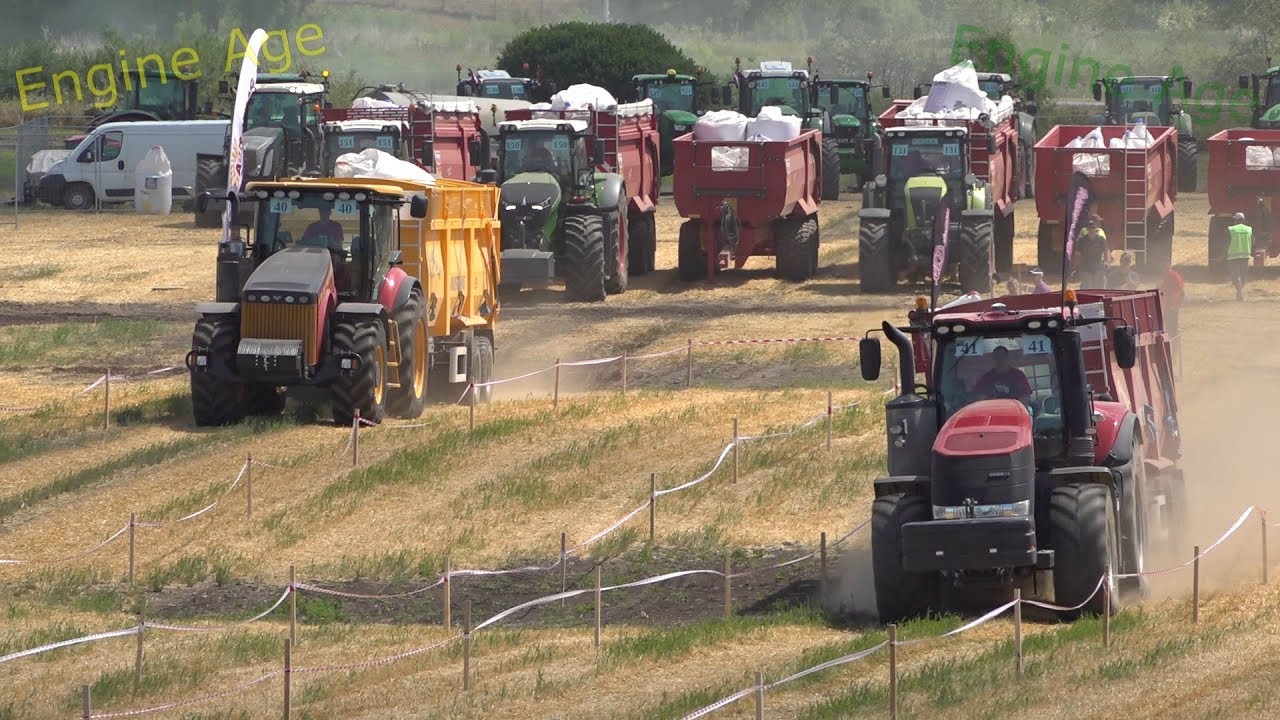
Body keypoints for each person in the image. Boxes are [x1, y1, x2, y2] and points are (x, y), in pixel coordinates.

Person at [1227, 211, 1254, 301]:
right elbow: (1253, 242)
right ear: (1243, 220)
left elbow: (1227, 243)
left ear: (1235, 220)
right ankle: (1240, 292)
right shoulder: (1249, 229)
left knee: (1235, 276)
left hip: (1233, 256)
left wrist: (1223, 255)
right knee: (1243, 276)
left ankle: (1239, 292)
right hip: (1245, 256)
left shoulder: (1231, 229)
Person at [1076, 215, 1109, 288]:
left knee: (1099, 287)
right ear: (1087, 229)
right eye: (1090, 228)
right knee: (1089, 286)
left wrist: (1106, 261)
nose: (1092, 229)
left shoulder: (1101, 239)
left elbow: (1106, 250)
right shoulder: (1082, 240)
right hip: (1085, 267)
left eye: (1093, 228)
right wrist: (1077, 266)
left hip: (1098, 267)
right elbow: (1078, 254)